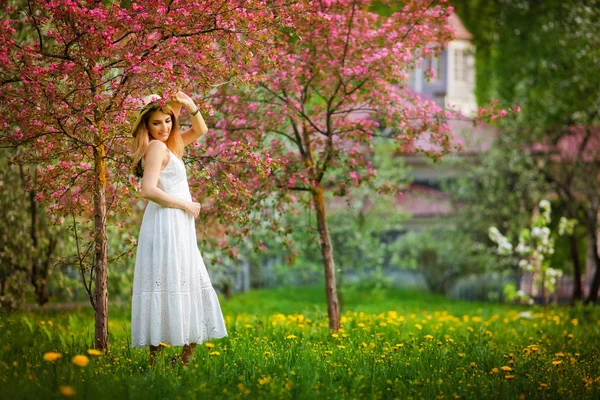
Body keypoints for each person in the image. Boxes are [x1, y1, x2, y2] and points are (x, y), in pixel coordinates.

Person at [129, 91, 228, 367]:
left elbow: (201, 129)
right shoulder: (156, 148)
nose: (165, 128)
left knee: (182, 281)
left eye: (167, 121)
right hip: (167, 222)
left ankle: (176, 364)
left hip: (175, 223)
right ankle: (163, 365)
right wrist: (186, 205)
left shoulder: (170, 146)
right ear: (146, 127)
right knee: (174, 281)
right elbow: (147, 190)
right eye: (157, 123)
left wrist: (188, 104)